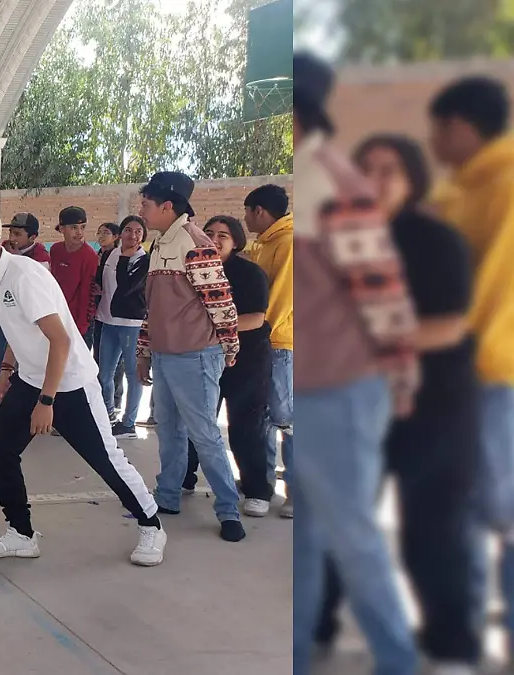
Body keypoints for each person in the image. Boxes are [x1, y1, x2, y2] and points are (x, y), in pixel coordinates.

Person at [316, 134, 481, 673]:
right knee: (343, 521)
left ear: (413, 179)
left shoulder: (434, 240)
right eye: (366, 168)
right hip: (356, 403)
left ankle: (451, 645)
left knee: (433, 528)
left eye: (391, 170)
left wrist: (368, 346)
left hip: (434, 406)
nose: (377, 180)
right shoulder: (344, 238)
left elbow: (447, 325)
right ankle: (318, 624)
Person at [289, 52, 422, 675]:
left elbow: (386, 301)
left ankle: (397, 659)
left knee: (352, 537)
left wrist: (398, 389)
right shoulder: (317, 178)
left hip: (342, 393)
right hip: (322, 390)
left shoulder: (338, 186)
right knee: (311, 537)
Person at [0, 203, 166, 566]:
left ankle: (152, 525)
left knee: (105, 459)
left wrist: (46, 401)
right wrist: (5, 368)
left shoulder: (24, 276)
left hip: (69, 382)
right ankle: (21, 533)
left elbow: (60, 340)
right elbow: (20, 327)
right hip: (32, 378)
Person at [427, 74, 514, 662]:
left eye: (437, 128)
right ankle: (459, 631)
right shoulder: (455, 193)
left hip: (486, 372)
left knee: (494, 505)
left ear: (460, 126)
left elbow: (493, 288)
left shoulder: (505, 186)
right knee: (456, 505)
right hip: (449, 370)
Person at [135, 171, 245, 543]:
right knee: (169, 431)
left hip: (196, 356)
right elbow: (153, 308)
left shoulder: (195, 244)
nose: (141, 211)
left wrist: (229, 347)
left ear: (167, 206)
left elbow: (220, 302)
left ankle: (228, 509)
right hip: (166, 356)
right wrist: (145, 352)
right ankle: (167, 497)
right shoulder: (160, 244)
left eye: (146, 205)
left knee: (205, 436)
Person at [181, 216, 275, 518]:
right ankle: (184, 477)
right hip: (204, 358)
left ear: (236, 242)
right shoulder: (194, 270)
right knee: (197, 422)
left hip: (247, 360)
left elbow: (256, 318)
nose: (215, 239)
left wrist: (213, 329)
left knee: (245, 426)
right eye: (208, 233)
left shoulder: (249, 273)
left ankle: (257, 489)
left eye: (223, 235)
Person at [242, 183, 294, 518]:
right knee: (262, 417)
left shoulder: (289, 243)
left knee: (286, 418)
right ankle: (261, 485)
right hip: (263, 342)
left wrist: (259, 334)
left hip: (278, 343)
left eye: (247, 212)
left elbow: (282, 298)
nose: (245, 218)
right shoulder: (264, 243)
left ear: (259, 211)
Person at [0, 212, 51, 422]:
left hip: (31, 327)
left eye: (18, 233)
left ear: (32, 237)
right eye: (11, 232)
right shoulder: (4, 250)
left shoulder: (41, 259)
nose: (12, 238)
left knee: (27, 373)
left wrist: (14, 259)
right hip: (4, 321)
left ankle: (28, 412)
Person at [96, 216, 148, 438]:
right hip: (107, 320)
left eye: (138, 231)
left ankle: (129, 423)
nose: (132, 235)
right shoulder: (111, 253)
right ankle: (108, 414)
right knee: (104, 373)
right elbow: (102, 279)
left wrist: (126, 259)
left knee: (132, 374)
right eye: (128, 230)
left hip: (131, 324)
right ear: (120, 233)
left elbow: (128, 286)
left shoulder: (142, 259)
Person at [50, 206, 99, 349]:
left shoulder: (89, 256)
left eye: (82, 227)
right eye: (74, 227)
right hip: (57, 318)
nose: (79, 233)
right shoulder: (55, 250)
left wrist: (81, 328)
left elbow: (87, 294)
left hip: (79, 323)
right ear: (62, 229)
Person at [93, 222, 128, 419]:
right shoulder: (98, 254)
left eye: (105, 233)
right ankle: (103, 401)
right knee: (101, 358)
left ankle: (115, 401)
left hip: (117, 316)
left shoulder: (117, 256)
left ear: (116, 237)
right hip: (99, 312)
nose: (101, 236)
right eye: (99, 232)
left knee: (117, 362)